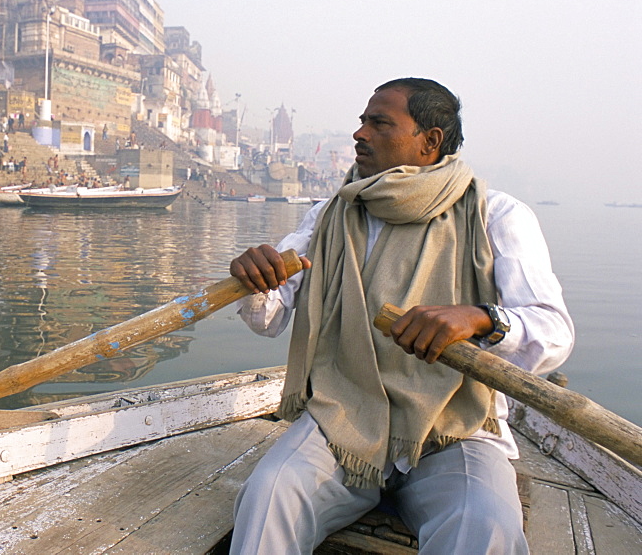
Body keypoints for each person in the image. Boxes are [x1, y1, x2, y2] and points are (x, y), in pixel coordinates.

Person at [228, 78, 574, 554]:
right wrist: (255, 280)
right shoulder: (331, 215)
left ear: (430, 141)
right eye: (362, 121)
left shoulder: (495, 215)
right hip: (342, 416)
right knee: (269, 496)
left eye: (379, 123)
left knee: (486, 523)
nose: (360, 134)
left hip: (453, 429)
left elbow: (554, 333)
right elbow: (267, 317)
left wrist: (479, 318)